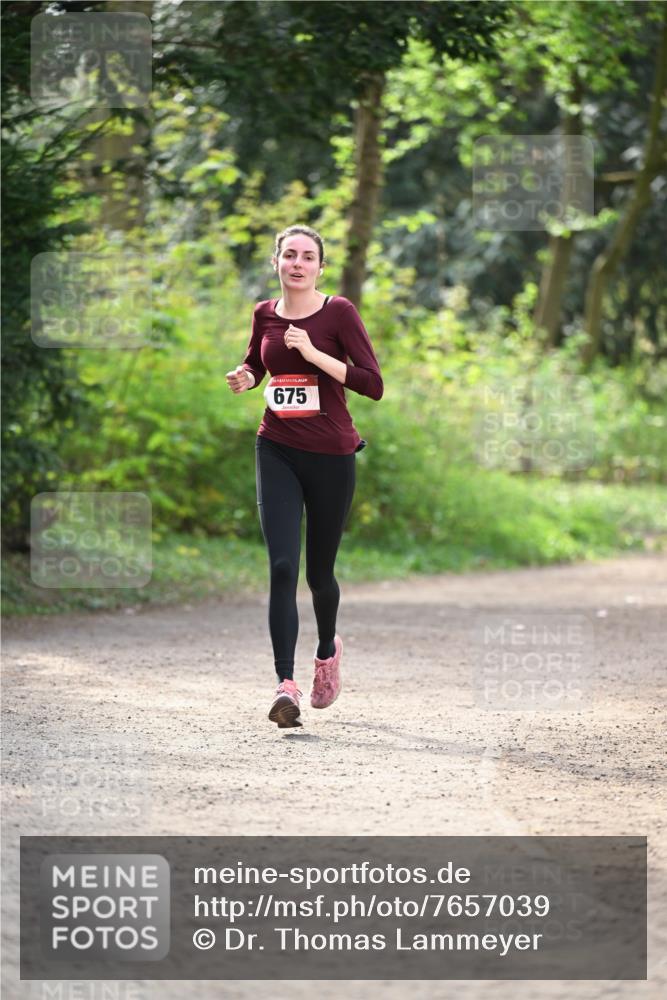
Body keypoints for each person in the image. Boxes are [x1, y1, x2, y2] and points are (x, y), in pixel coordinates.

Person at [226, 224, 383, 728]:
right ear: (276, 262)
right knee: (280, 567)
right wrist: (246, 377)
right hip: (276, 449)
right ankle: (285, 685)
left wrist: (316, 355)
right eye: (289, 255)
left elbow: (373, 384)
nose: (297, 263)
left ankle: (326, 650)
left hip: (332, 456)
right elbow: (257, 363)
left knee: (319, 575)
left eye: (307, 256)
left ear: (319, 266)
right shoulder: (264, 314)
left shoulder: (339, 313)